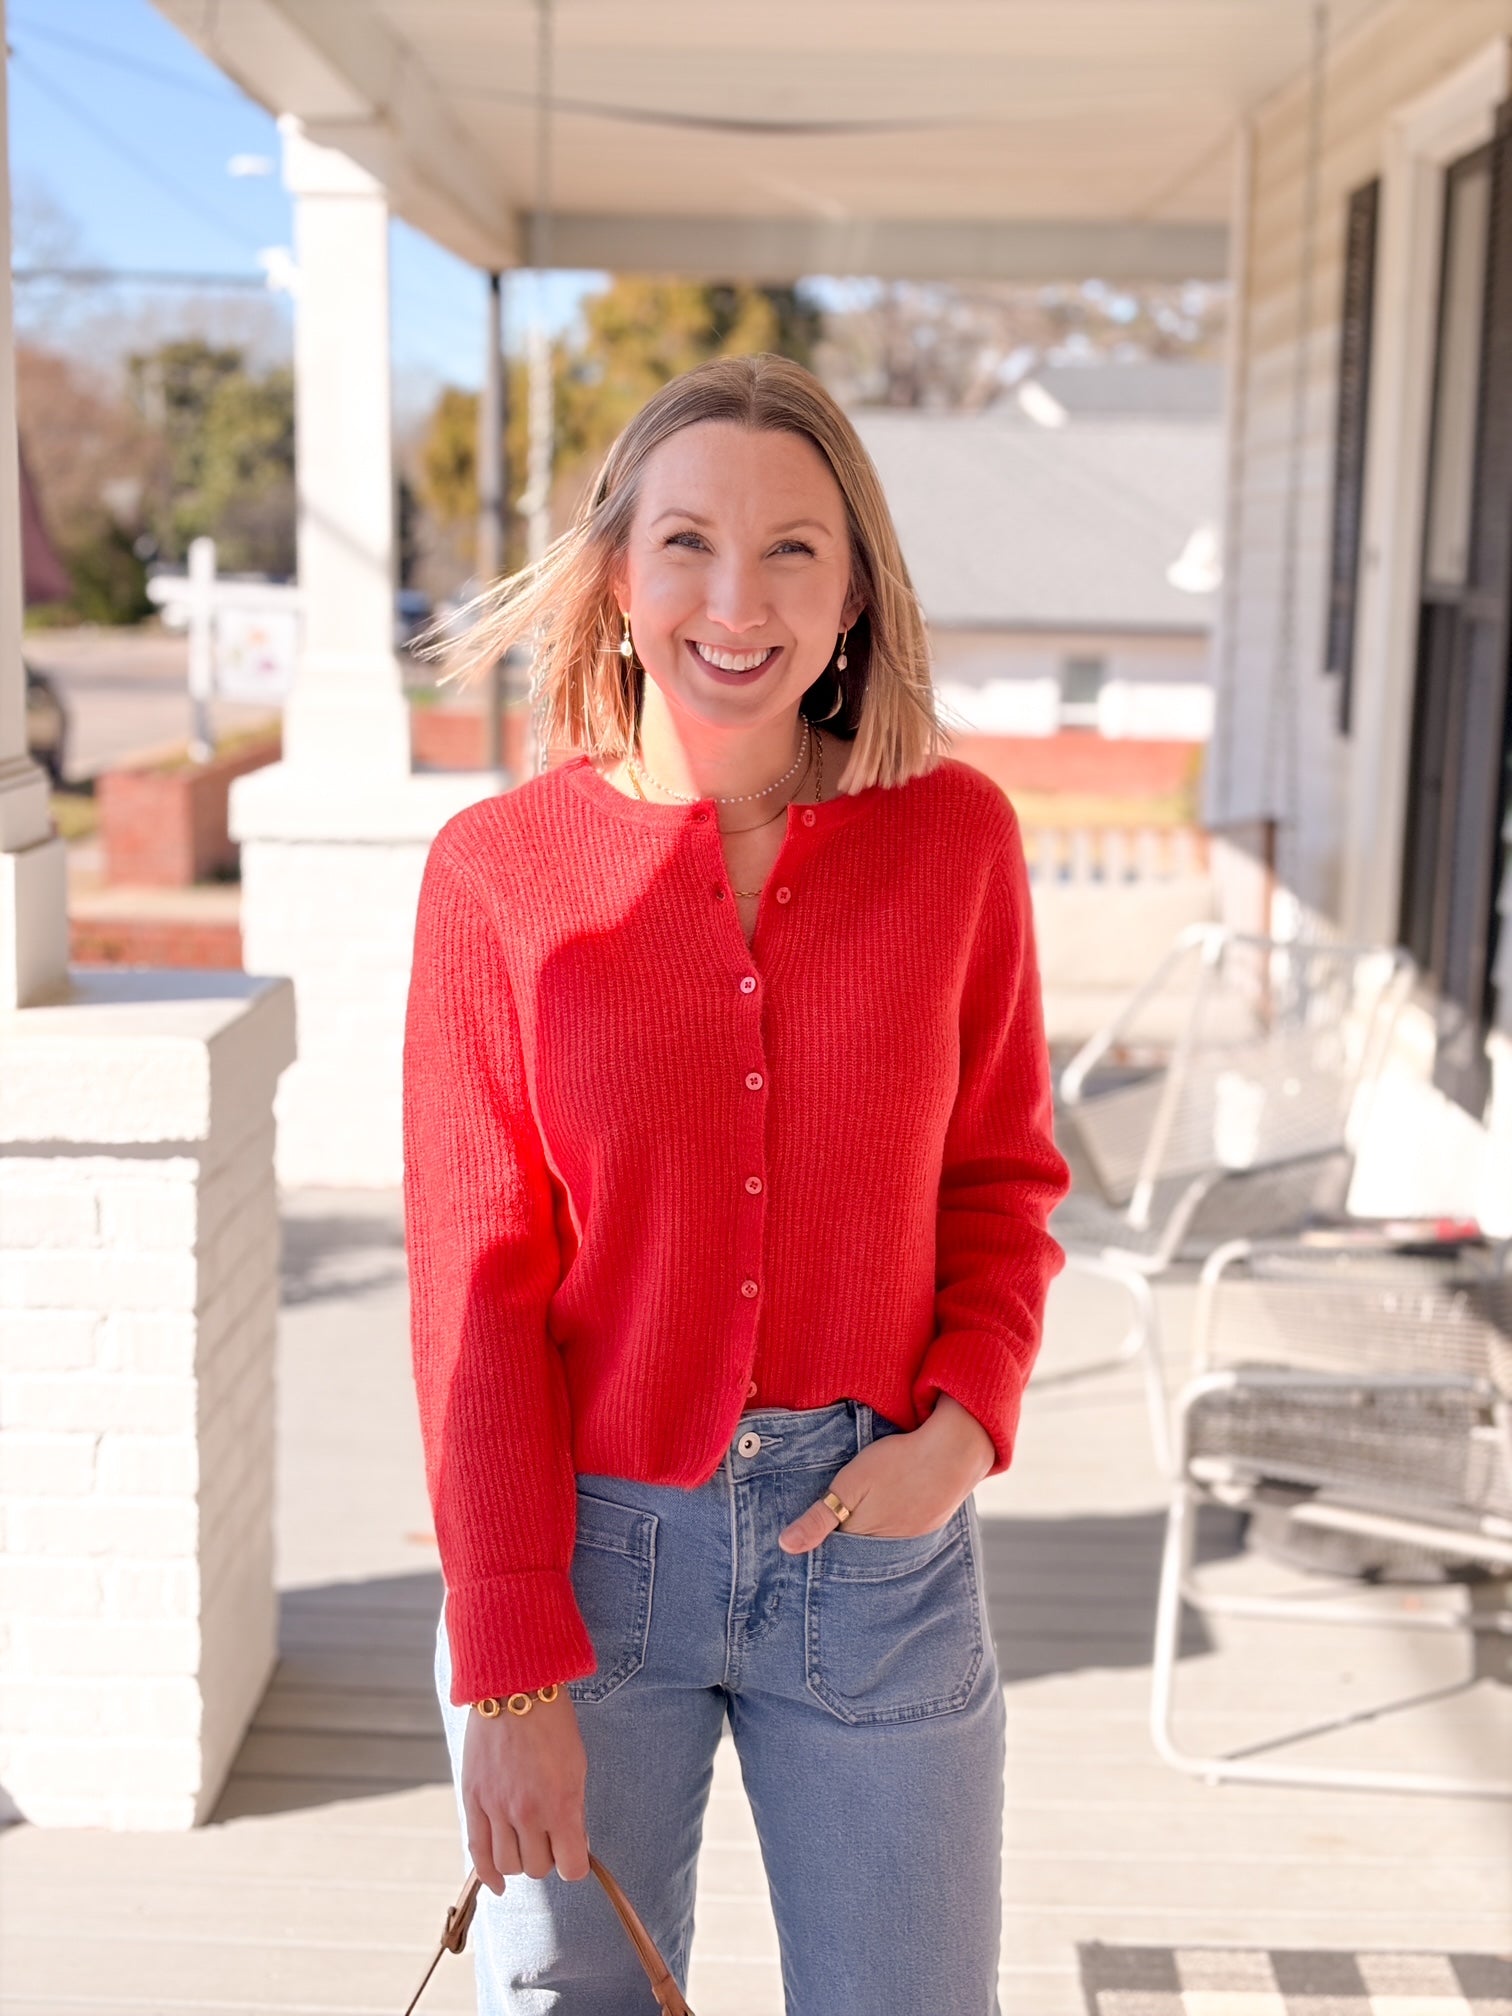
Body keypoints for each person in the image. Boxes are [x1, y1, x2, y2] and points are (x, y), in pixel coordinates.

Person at [401, 352, 1071, 2016]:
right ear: (619, 577)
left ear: (854, 597)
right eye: (688, 540)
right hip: (585, 1565)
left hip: (878, 1545)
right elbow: (471, 1287)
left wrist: (966, 1428)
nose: (737, 595)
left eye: (794, 549)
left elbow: (1002, 1177)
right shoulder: (499, 878)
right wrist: (507, 1673)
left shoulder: (955, 842)